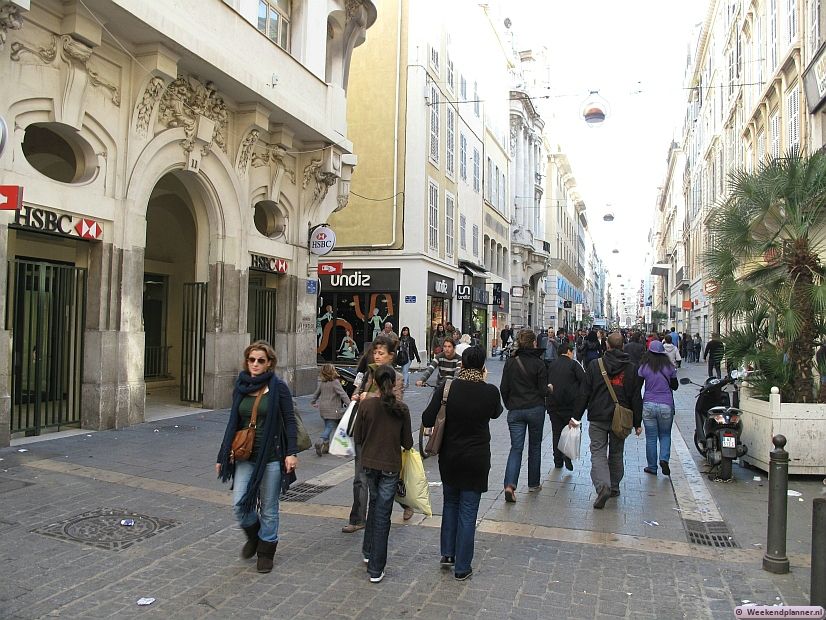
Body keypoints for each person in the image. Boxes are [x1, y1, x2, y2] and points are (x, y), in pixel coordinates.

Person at [215, 341, 298, 573]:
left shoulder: (278, 387)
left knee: (269, 508)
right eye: (252, 360)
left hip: (271, 455)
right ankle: (255, 535)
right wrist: (222, 455)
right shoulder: (241, 386)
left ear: (269, 363)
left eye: (260, 360)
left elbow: (290, 421)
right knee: (240, 504)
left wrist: (291, 453)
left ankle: (266, 551)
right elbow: (233, 423)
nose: (255, 364)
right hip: (244, 456)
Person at [422, 346, 503, 581]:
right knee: (468, 512)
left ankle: (447, 553)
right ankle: (462, 567)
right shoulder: (489, 392)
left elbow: (427, 418)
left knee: (450, 504)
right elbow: (497, 413)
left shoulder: (447, 388)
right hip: (477, 458)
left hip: (450, 456)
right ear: (482, 366)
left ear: (462, 364)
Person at [352, 364, 413, 583]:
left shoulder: (366, 406)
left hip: (369, 464)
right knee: (382, 514)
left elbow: (357, 437)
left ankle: (368, 552)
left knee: (374, 505)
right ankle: (376, 568)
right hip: (390, 465)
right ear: (394, 383)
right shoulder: (401, 409)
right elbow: (408, 442)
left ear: (375, 382)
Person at [344, 335, 411, 531]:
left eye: (381, 353)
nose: (377, 356)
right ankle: (357, 519)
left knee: (386, 479)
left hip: (384, 434)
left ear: (391, 356)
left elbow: (397, 402)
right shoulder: (368, 373)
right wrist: (356, 396)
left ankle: (405, 502)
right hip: (365, 430)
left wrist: (370, 396)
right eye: (375, 352)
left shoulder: (396, 377)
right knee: (360, 478)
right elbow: (357, 391)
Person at [572, 332, 643, 509]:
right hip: (620, 417)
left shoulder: (595, 365)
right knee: (617, 452)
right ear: (623, 346)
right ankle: (614, 486)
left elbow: (584, 393)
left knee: (597, 452)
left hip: (597, 415)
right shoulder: (631, 368)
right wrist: (637, 422)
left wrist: (576, 417)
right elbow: (636, 397)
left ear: (607, 345)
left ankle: (603, 485)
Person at [500, 329, 551, 502]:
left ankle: (509, 485)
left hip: (515, 410)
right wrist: (550, 389)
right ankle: (533, 483)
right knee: (535, 446)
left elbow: (503, 388)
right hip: (535, 409)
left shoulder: (511, 362)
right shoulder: (539, 364)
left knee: (516, 448)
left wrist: (509, 404)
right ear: (534, 343)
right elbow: (543, 390)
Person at [638, 341, 678, 476]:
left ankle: (652, 467)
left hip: (648, 404)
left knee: (650, 438)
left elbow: (638, 384)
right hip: (666, 404)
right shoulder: (669, 367)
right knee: (665, 435)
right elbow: (675, 386)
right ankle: (664, 459)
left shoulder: (645, 366)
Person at [546, 342, 586, 471]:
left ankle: (557, 460)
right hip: (570, 406)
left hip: (554, 404)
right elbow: (584, 382)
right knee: (569, 432)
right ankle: (567, 455)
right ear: (568, 351)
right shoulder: (574, 365)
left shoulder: (551, 365)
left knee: (556, 432)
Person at [310, 363, 350, 456]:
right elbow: (342, 394)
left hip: (323, 409)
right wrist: (350, 404)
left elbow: (316, 394)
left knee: (327, 425)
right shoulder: (335, 382)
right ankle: (321, 440)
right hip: (333, 409)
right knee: (329, 427)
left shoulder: (322, 383)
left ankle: (326, 447)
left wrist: (313, 402)